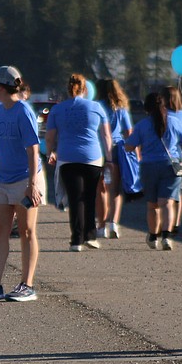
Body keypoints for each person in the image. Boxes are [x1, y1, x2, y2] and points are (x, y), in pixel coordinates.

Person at [0, 65, 42, 302]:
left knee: (26, 231)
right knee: (0, 231)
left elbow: (33, 149)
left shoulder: (23, 112)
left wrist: (32, 184)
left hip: (25, 178)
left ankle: (27, 285)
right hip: (1, 178)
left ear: (0, 87)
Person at [44, 74, 112, 252]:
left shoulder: (58, 110)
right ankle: (90, 235)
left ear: (68, 88)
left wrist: (50, 152)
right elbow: (106, 136)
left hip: (67, 157)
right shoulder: (96, 107)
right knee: (89, 197)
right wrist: (110, 158)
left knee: (75, 198)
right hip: (93, 158)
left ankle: (76, 239)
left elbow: (49, 136)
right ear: (85, 89)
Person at [125, 91, 182, 251]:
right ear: (163, 105)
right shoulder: (175, 122)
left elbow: (129, 146)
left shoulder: (142, 125)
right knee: (167, 203)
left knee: (152, 205)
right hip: (171, 166)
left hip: (149, 166)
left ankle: (153, 236)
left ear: (146, 108)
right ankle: (167, 237)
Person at [95, 79, 133, 239]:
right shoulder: (121, 109)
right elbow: (129, 133)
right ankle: (113, 224)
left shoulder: (96, 107)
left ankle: (101, 226)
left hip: (98, 149)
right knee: (115, 190)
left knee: (100, 189)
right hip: (117, 150)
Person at [162, 85, 182, 234]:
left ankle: (164, 224)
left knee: (162, 194)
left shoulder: (159, 114)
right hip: (179, 158)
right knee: (178, 192)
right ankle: (176, 222)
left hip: (160, 156)